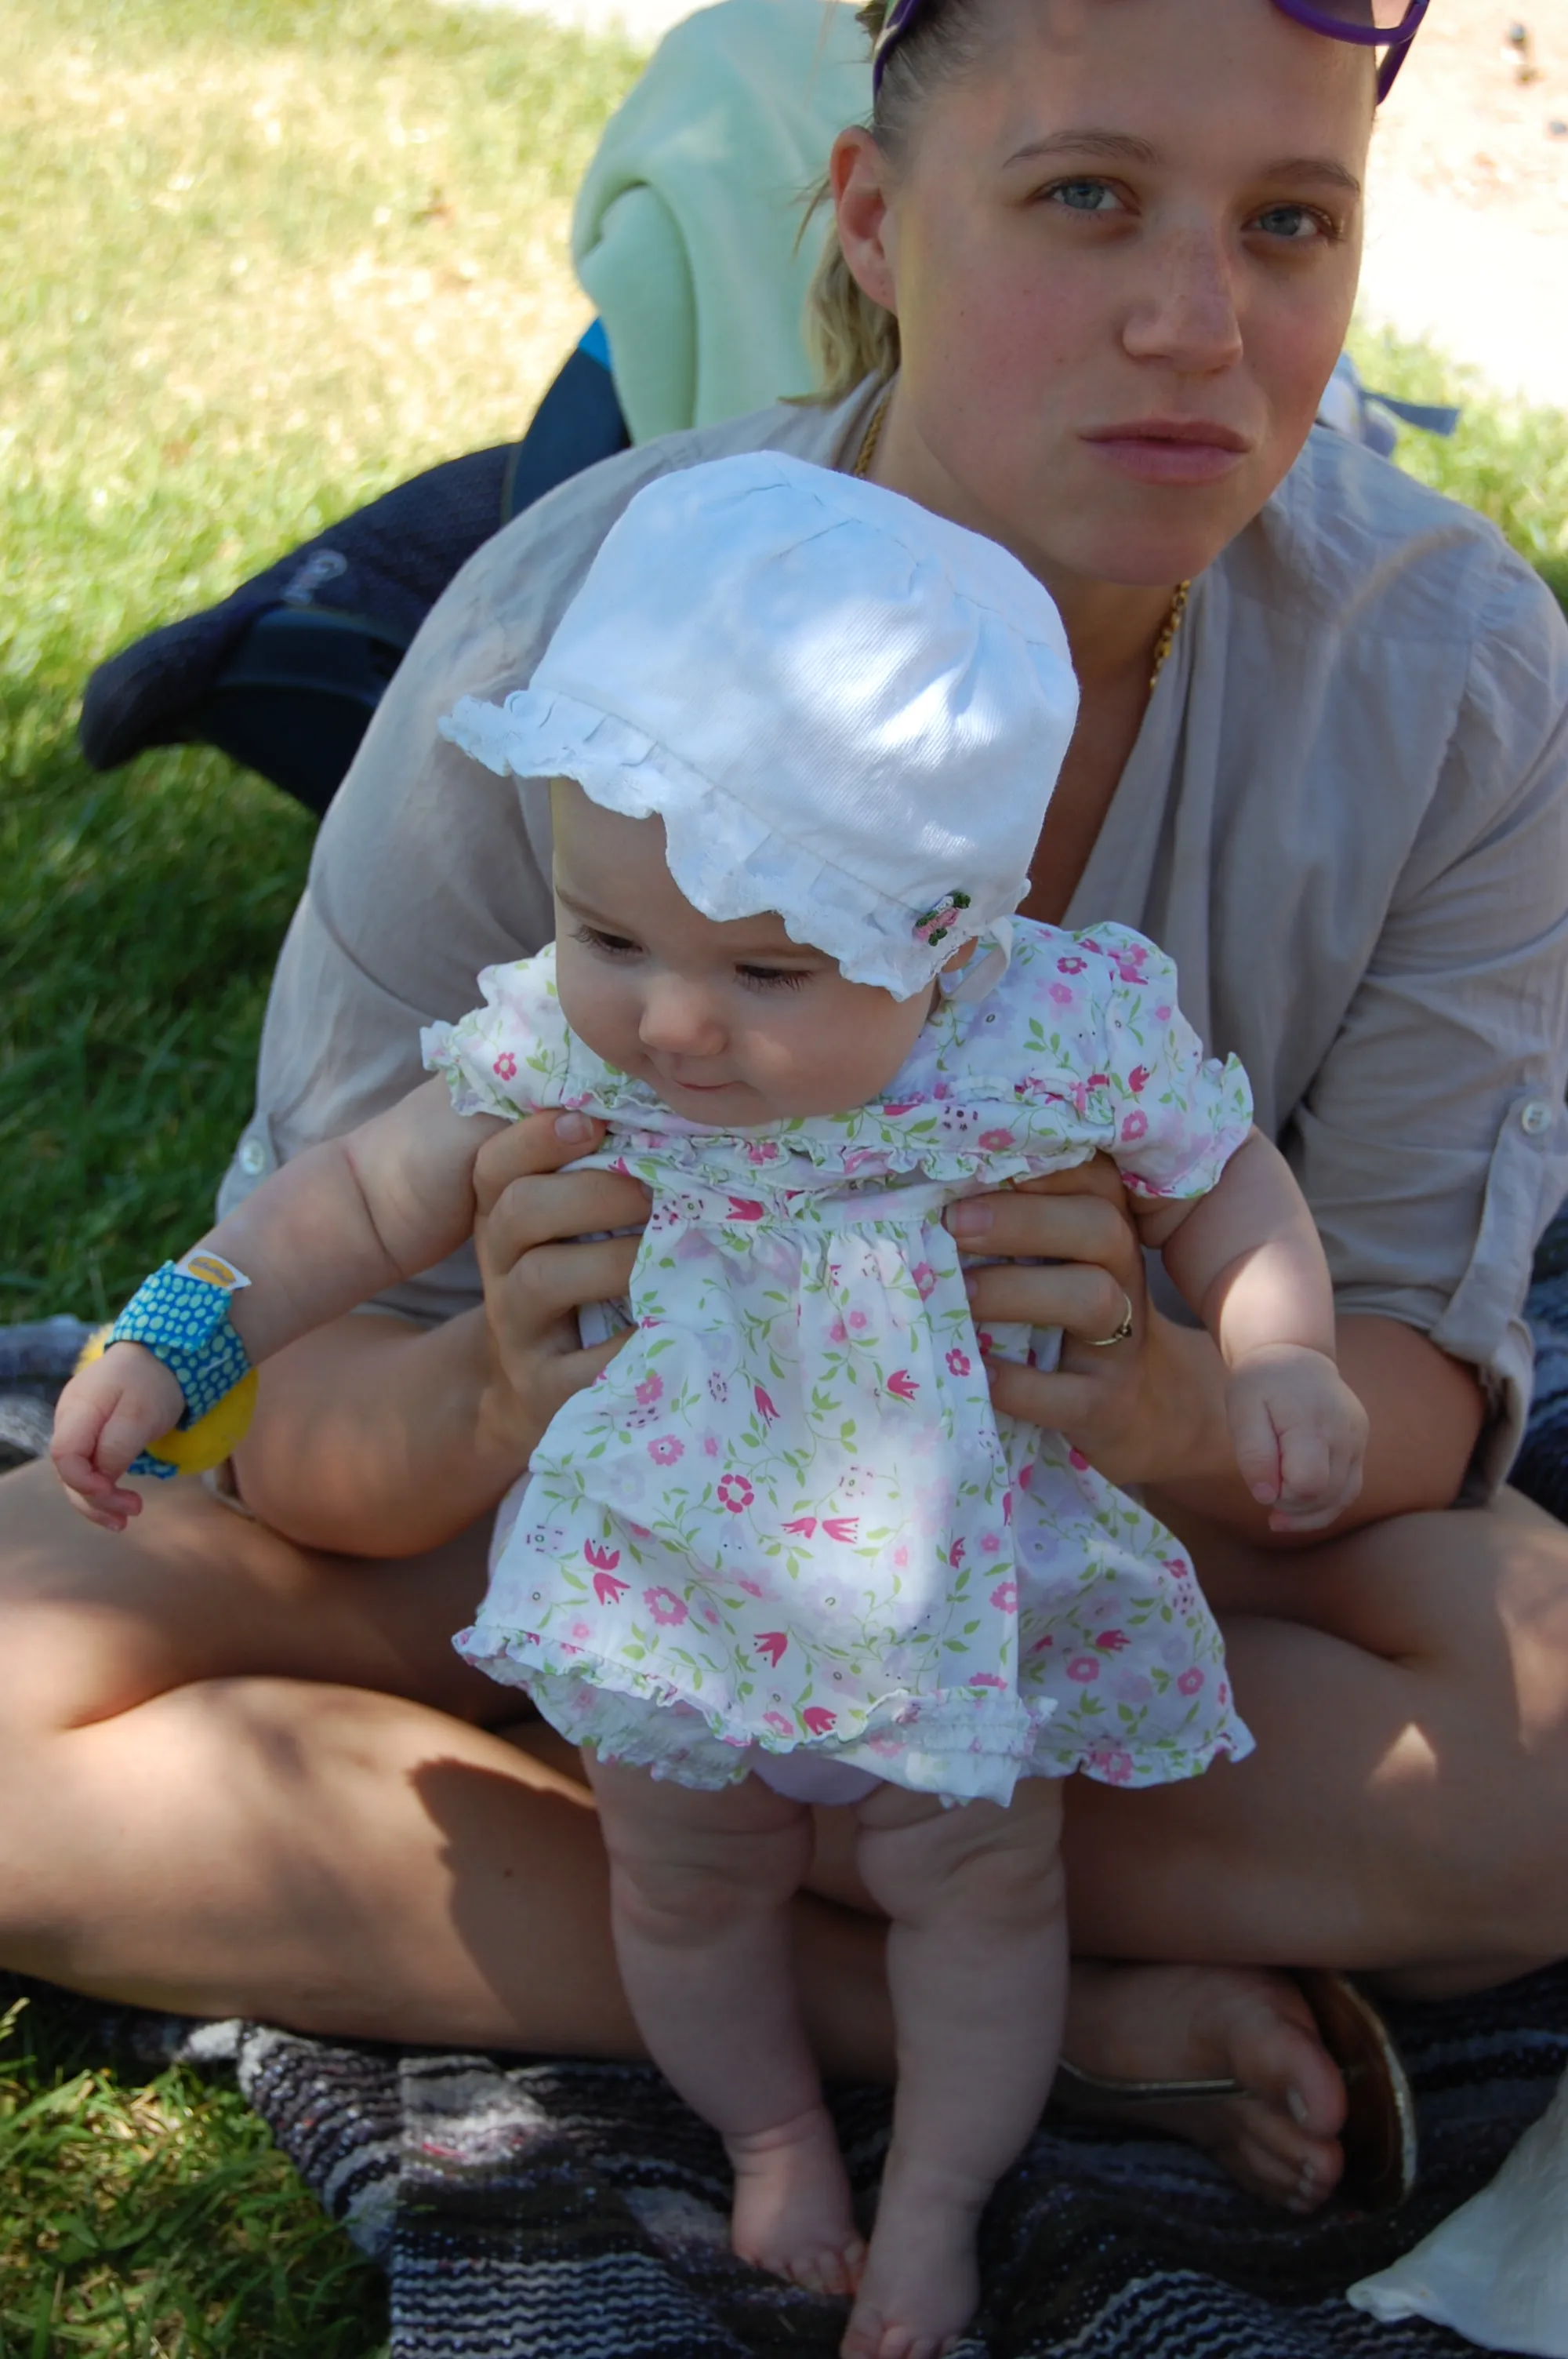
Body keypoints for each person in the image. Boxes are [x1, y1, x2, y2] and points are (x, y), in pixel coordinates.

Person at [5, 0, 1568, 2234]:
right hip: (579, 1511)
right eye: (1088, 196)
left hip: (1050, 1550)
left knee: (1542, 1753)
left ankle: (795, 1870)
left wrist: (1169, 1400)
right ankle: (947, 2010)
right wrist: (489, 1388)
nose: (1196, 321)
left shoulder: (1448, 677)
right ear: (874, 217)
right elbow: (296, 1381)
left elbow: (1409, 1386)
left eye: (1288, 222)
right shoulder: (573, 646)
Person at [52, 452, 1367, 2355]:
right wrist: (175, 1333)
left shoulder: (1046, 1032)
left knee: (980, 1895)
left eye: (764, 967)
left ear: (947, 934)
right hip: (663, 1588)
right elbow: (346, 1202)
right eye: (611, 938)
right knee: (682, 1894)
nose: (671, 1020)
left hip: (944, 1599)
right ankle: (772, 2135)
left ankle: (938, 2202)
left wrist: (1280, 1351)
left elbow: (1226, 1183)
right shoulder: (566, 1048)